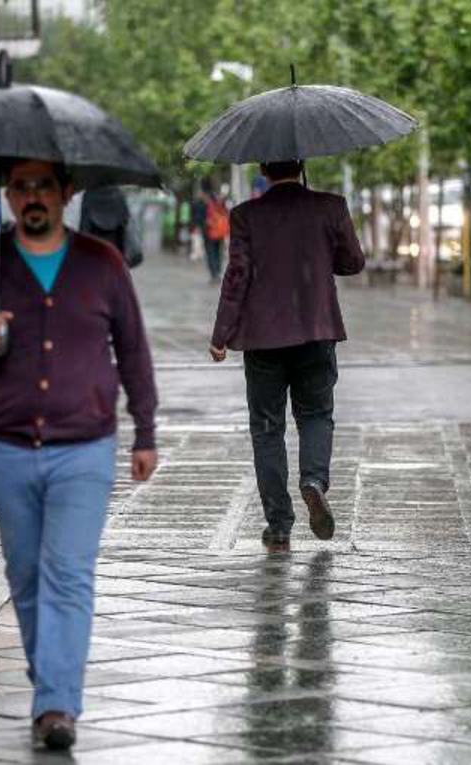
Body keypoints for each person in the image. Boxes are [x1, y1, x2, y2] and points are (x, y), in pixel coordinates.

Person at [0, 160, 158, 751]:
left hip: (85, 448)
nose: (32, 198)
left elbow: (133, 349)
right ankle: (50, 684)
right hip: (6, 452)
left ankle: (56, 704)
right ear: (9, 197)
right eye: (21, 187)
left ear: (66, 193)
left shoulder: (102, 265)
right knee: (27, 575)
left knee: (68, 574)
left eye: (43, 187)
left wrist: (146, 432)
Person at [208, 160, 365, 551]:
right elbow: (353, 262)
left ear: (263, 168)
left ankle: (278, 526)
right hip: (316, 332)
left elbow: (237, 277)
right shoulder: (330, 206)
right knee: (315, 416)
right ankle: (313, 481)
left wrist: (221, 334)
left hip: (263, 339)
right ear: (303, 164)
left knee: (267, 430)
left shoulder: (246, 215)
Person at [79, 186, 143, 268]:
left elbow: (84, 228)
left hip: (94, 252)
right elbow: (125, 224)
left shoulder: (88, 195)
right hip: (115, 252)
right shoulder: (119, 195)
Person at [191, 180, 228, 282]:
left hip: (208, 230)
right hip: (219, 229)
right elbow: (224, 211)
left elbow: (198, 215)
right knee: (218, 251)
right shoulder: (216, 198)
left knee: (210, 251)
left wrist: (197, 227)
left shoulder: (202, 199)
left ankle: (213, 273)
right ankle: (218, 271)